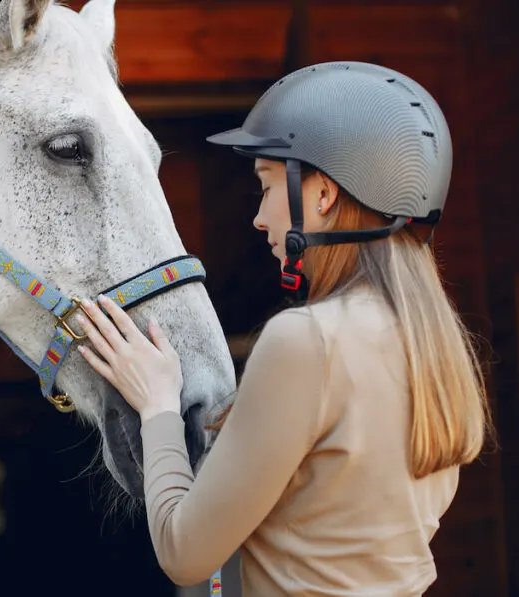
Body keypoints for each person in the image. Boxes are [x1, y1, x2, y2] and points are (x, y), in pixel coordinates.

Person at [73, 61, 494, 596]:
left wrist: (157, 404)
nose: (260, 217)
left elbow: (185, 554)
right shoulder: (436, 343)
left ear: (322, 194)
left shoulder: (306, 341)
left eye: (267, 187)